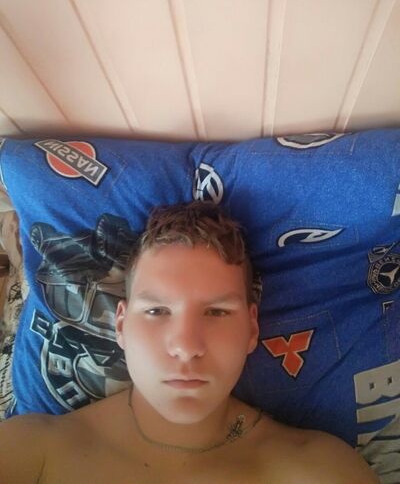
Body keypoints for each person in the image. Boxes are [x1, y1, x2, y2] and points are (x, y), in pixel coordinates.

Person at [0, 201, 378, 483]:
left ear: (251, 329)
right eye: (156, 311)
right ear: (121, 325)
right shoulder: (32, 451)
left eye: (216, 312)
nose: (185, 346)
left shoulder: (320, 470)